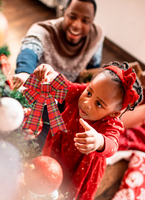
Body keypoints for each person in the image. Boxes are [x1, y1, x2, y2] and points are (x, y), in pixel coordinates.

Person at [31, 61, 143, 200]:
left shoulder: (110, 123)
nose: (86, 103)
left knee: (68, 194)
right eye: (89, 92)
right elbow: (66, 86)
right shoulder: (82, 92)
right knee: (47, 174)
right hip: (59, 147)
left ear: (113, 114)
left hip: (81, 168)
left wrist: (99, 141)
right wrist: (50, 74)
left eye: (98, 104)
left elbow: (113, 145)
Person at [13, 0, 104, 89]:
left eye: (85, 21)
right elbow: (29, 50)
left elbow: (92, 68)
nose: (77, 25)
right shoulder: (43, 31)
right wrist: (24, 73)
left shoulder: (97, 35)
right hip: (38, 90)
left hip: (68, 91)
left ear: (92, 22)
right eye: (72, 17)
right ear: (64, 13)